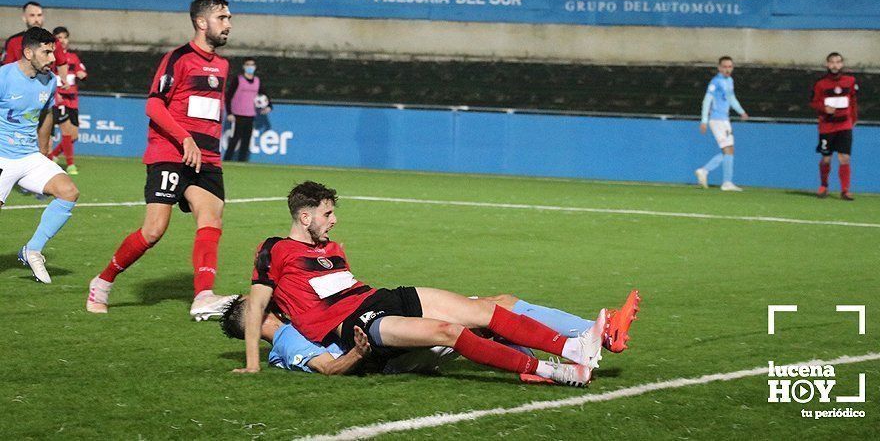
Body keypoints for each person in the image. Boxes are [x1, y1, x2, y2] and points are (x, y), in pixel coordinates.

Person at [234, 181, 622, 388]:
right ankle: (556, 371)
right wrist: (253, 364)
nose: (333, 221)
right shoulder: (273, 250)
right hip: (356, 320)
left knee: (485, 310)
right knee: (449, 332)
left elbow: (345, 282)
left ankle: (576, 347)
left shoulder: (334, 248)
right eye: (327, 213)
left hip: (381, 296)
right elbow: (258, 306)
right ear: (305, 216)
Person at [86, 0, 238, 319]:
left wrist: (208, 149)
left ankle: (203, 296)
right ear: (201, 22)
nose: (228, 24)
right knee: (154, 230)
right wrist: (184, 139)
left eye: (229, 18)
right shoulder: (178, 58)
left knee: (211, 218)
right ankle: (102, 282)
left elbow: (210, 114)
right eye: (222, 18)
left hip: (206, 156)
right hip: (171, 152)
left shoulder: (223, 65)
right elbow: (154, 105)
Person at [222, 290, 640, 378]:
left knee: (497, 306)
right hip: (390, 354)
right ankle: (584, 343)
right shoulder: (287, 339)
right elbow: (328, 366)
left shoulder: (289, 336)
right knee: (485, 317)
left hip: (389, 341)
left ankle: (589, 337)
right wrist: (362, 351)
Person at [0, 27, 80, 283]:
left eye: (53, 52)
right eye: (46, 52)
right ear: (28, 52)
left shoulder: (48, 80)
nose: (52, 58)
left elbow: (47, 114)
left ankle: (32, 250)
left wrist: (43, 149)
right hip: (2, 156)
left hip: (29, 156)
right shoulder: (4, 77)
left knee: (69, 192)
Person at [3, 2, 69, 157]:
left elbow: (62, 63)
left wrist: (63, 83)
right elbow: (8, 69)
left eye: (39, 15)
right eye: (32, 15)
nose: (36, 19)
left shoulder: (53, 42)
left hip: (43, 99)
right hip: (17, 103)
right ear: (24, 18)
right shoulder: (14, 42)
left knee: (45, 146)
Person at [695, 56, 748, 191]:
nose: (727, 69)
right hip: (717, 119)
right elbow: (707, 101)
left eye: (729, 67)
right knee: (728, 150)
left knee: (729, 150)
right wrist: (704, 120)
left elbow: (731, 98)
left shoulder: (729, 81)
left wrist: (741, 111)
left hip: (724, 119)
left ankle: (705, 171)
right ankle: (726, 182)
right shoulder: (716, 82)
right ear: (719, 68)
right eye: (724, 67)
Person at [810, 52, 858, 200]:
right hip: (827, 126)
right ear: (827, 64)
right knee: (826, 158)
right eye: (832, 62)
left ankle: (845, 190)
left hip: (844, 125)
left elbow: (853, 101)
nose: (835, 65)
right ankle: (824, 186)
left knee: (844, 158)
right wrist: (825, 109)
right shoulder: (820, 84)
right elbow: (813, 102)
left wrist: (854, 119)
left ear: (842, 64)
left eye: (838, 62)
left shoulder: (850, 81)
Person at [47, 27, 88, 175]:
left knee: (74, 135)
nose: (62, 40)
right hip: (59, 98)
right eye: (59, 37)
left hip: (72, 100)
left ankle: (53, 156)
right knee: (65, 131)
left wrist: (81, 73)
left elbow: (81, 71)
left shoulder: (73, 57)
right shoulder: (51, 57)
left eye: (65, 37)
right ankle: (70, 165)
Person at [223, 57, 268, 162]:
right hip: (237, 114)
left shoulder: (257, 81)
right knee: (235, 138)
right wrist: (229, 112)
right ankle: (227, 160)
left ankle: (242, 161)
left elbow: (265, 95)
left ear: (255, 67)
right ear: (244, 66)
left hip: (250, 114)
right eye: (248, 65)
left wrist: (268, 106)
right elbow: (228, 96)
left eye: (252, 65)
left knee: (246, 140)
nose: (250, 67)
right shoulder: (238, 80)